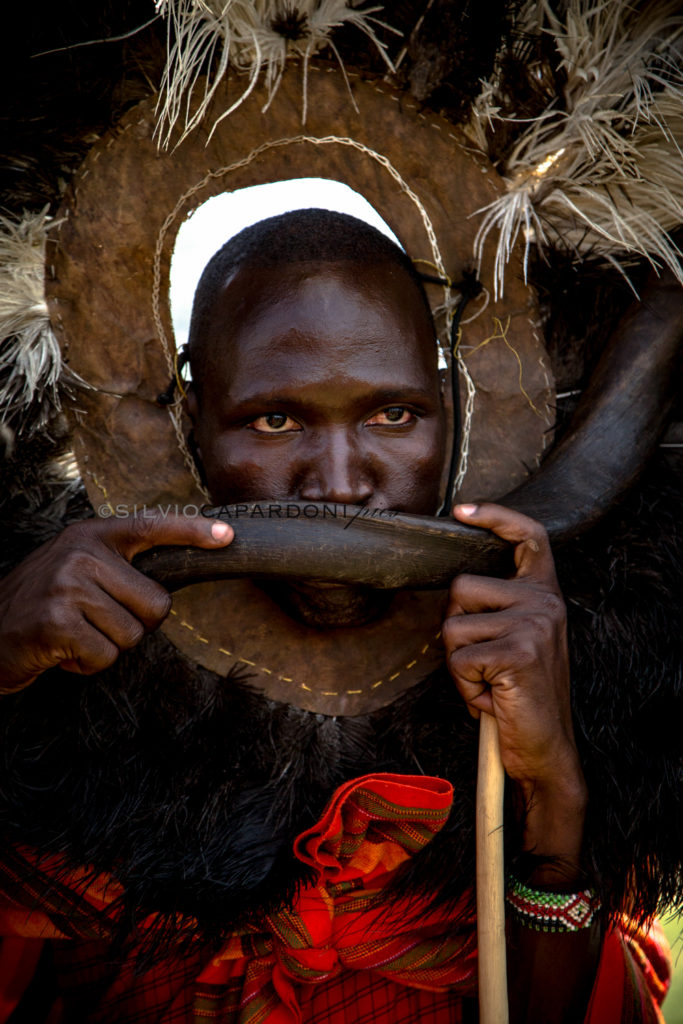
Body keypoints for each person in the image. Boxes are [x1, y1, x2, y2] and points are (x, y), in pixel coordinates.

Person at [0, 211, 670, 1023]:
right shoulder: (61, 646)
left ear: (449, 416)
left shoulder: (538, 649)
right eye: (275, 420)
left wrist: (553, 788)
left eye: (392, 416)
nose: (342, 484)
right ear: (188, 424)